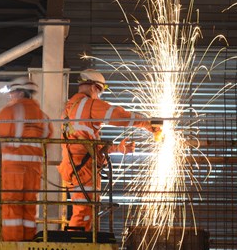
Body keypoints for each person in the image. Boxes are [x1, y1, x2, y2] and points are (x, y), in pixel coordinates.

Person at [58, 69, 161, 231]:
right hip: (83, 169)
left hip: (75, 166)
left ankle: (79, 245)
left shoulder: (69, 107)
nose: (98, 96)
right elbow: (120, 116)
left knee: (85, 211)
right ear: (94, 88)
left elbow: (85, 143)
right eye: (99, 92)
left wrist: (116, 148)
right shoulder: (89, 104)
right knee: (83, 212)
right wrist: (147, 123)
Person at [0, 77, 53, 241]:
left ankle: (12, 247)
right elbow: (47, 145)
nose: (11, 96)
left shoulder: (11, 111)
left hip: (12, 172)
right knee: (29, 211)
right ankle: (27, 246)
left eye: (13, 93)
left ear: (20, 92)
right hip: (34, 173)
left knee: (11, 211)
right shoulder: (43, 118)